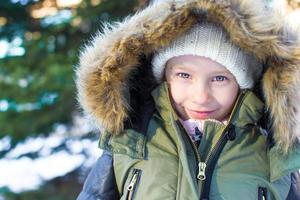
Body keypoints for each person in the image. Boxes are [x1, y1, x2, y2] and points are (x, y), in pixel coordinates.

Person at [76, 0, 300, 199]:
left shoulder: (274, 153)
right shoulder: (132, 138)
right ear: (164, 76)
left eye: (220, 78)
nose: (201, 96)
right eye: (184, 75)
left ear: (243, 85)